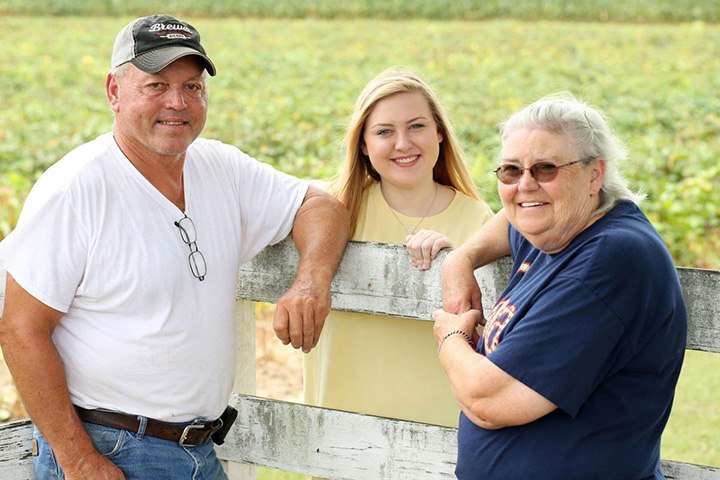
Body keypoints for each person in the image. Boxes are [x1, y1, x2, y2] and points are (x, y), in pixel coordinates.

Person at [0, 14, 349, 480]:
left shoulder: (221, 167)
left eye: (192, 86)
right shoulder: (76, 190)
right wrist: (79, 460)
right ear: (113, 92)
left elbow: (320, 205)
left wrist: (310, 280)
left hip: (198, 452)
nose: (177, 102)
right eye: (156, 85)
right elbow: (21, 329)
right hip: (111, 449)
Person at [434, 93, 687, 479]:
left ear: (594, 175)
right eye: (510, 171)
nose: (526, 185)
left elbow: (487, 399)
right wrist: (461, 259)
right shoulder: (556, 226)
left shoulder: (611, 260)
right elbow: (513, 213)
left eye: (546, 168)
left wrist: (450, 336)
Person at [303, 68, 493, 428]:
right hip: (341, 428)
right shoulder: (333, 210)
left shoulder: (478, 219)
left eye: (417, 126)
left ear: (439, 132)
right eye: (384, 131)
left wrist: (456, 261)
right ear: (363, 144)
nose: (403, 143)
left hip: (439, 430)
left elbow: (493, 334)